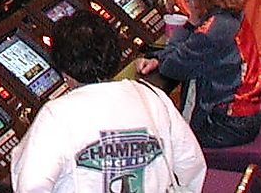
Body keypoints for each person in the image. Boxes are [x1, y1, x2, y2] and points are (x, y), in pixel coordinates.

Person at [11, 12, 206, 193]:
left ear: (65, 72)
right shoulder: (153, 97)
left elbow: (30, 186)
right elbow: (191, 166)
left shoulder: (55, 116)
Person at [137, 0, 261, 149]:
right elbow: (181, 57)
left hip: (226, 123)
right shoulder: (230, 15)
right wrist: (160, 58)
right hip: (244, 115)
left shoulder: (212, 30)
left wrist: (190, 22)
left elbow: (173, 67)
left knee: (154, 142)